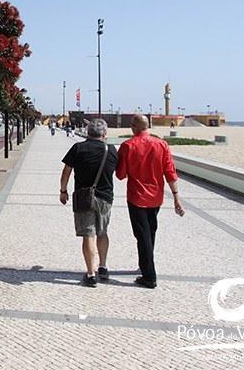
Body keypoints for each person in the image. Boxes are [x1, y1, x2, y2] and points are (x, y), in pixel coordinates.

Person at [116, 114, 185, 289]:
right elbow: (170, 172)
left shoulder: (127, 146)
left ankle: (149, 276)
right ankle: (145, 265)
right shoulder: (161, 144)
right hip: (156, 197)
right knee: (150, 231)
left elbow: (120, 175)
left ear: (134, 127)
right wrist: (176, 197)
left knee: (142, 235)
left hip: (136, 197)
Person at [59, 119, 118, 287]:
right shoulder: (111, 150)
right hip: (105, 198)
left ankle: (91, 274)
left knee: (88, 234)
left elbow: (66, 171)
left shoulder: (78, 148)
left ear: (87, 132)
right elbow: (119, 171)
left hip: (84, 197)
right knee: (102, 232)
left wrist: (63, 191)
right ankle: (103, 266)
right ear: (104, 134)